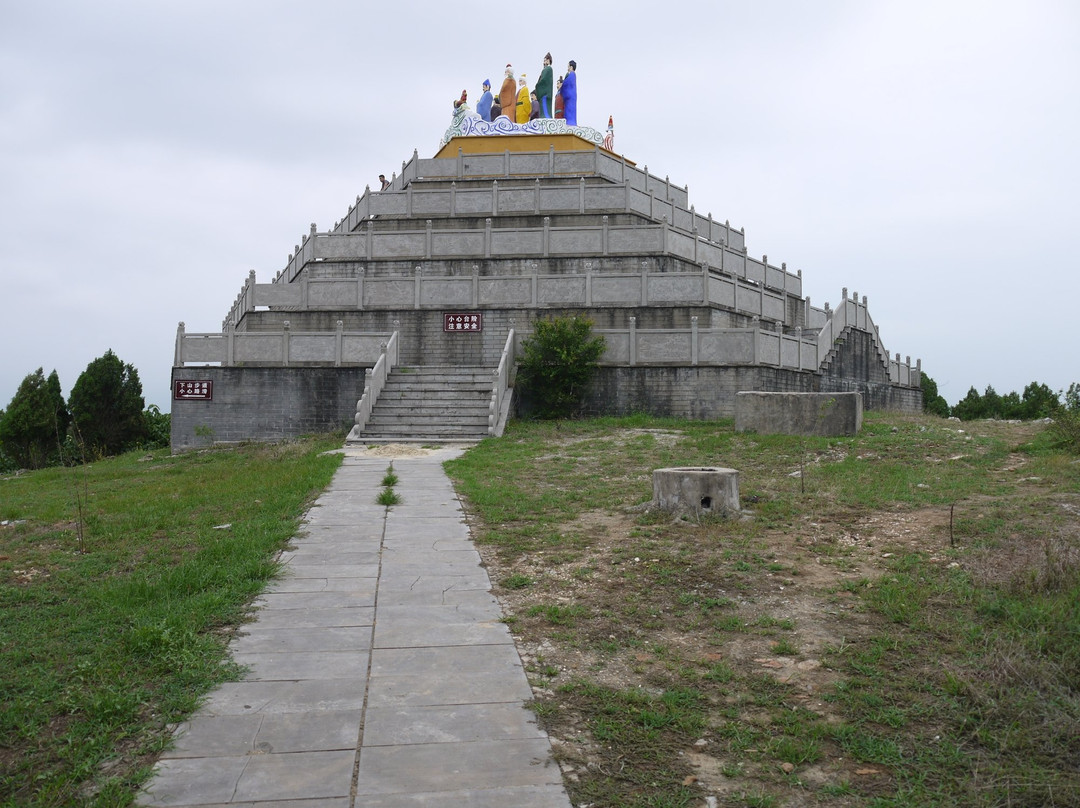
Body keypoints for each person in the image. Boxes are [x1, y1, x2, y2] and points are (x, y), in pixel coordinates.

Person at [534, 52, 554, 118]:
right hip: (544, 92)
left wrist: (538, 85)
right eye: (544, 60)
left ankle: (546, 117)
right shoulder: (546, 69)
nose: (544, 62)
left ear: (549, 61)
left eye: (546, 60)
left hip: (545, 92)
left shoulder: (548, 69)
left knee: (545, 108)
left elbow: (543, 80)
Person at [559, 60, 577, 126]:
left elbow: (567, 83)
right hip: (570, 96)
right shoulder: (572, 75)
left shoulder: (572, 74)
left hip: (570, 96)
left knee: (569, 110)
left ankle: (570, 122)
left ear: (571, 67)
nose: (568, 68)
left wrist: (562, 85)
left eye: (568, 66)